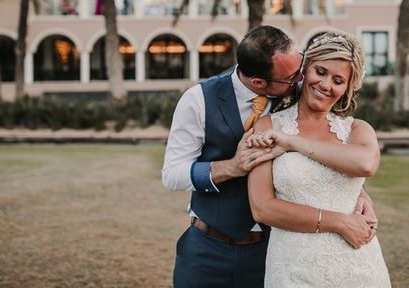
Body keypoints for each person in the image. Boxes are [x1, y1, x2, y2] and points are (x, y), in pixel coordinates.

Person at [162, 25, 378, 288]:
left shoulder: (304, 91)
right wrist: (231, 167)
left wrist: (357, 191)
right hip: (209, 247)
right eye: (293, 76)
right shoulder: (198, 100)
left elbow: (329, 148)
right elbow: (172, 175)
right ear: (259, 83)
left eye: (302, 66)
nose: (302, 79)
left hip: (271, 249)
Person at [247, 31, 391, 287]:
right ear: (305, 70)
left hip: (358, 267)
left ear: (347, 88)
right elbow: (262, 208)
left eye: (338, 80)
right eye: (321, 72)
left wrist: (292, 142)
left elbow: (365, 164)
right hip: (293, 268)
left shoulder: (357, 129)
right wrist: (340, 222)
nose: (326, 85)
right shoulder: (267, 126)